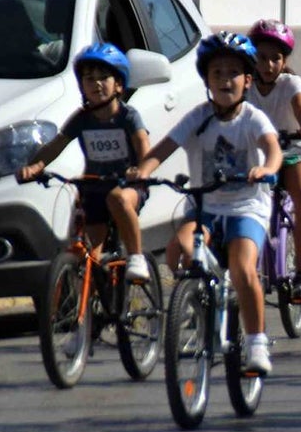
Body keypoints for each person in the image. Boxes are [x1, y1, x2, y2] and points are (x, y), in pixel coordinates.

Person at [136, 32, 282, 375]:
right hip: (205, 207)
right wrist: (142, 172)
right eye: (217, 73)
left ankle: (257, 342)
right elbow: (162, 150)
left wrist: (267, 168)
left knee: (243, 266)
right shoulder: (198, 117)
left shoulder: (252, 118)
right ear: (206, 80)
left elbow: (273, 148)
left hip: (247, 207)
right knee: (177, 251)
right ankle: (198, 302)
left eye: (233, 73)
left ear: (248, 80)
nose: (225, 80)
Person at [17, 44, 151, 281]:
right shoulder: (82, 118)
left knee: (118, 199)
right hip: (95, 187)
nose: (96, 83)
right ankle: (89, 305)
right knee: (90, 256)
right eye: (89, 78)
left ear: (119, 84)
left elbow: (142, 142)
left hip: (128, 186)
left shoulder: (127, 116)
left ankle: (136, 256)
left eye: (103, 78)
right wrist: (36, 166)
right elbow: (56, 145)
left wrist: (141, 170)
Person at [246, 19, 301, 304]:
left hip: (293, 150)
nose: (268, 65)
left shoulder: (291, 83)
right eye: (261, 58)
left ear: (284, 60)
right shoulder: (245, 84)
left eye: (275, 58)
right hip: (258, 156)